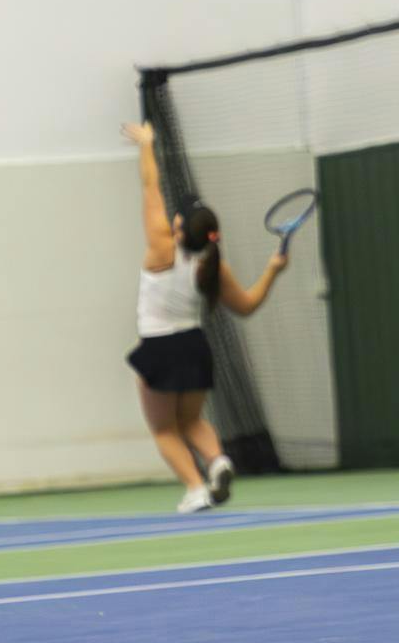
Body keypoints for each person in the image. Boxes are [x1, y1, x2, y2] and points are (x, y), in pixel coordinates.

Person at [121, 122, 288, 513]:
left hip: (159, 348)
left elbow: (150, 186)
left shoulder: (162, 249)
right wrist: (272, 270)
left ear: (179, 226)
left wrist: (146, 144)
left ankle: (196, 489)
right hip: (194, 347)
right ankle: (217, 461)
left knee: (164, 429)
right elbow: (246, 306)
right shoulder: (214, 266)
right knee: (192, 421)